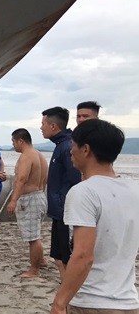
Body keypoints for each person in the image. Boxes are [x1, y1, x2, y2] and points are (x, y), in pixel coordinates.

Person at [51, 119, 139, 314]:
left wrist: (59, 303)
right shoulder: (134, 189)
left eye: (73, 145)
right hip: (129, 301)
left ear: (86, 149)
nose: (70, 151)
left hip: (93, 302)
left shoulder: (83, 192)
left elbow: (83, 255)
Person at [41, 106, 81, 280]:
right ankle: (65, 287)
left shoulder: (67, 147)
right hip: (58, 211)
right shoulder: (60, 145)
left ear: (53, 126)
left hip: (66, 211)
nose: (41, 127)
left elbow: (75, 180)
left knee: (66, 255)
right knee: (58, 256)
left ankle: (70, 291)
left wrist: (64, 204)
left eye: (43, 123)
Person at [6, 128, 48, 278]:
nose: (13, 144)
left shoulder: (27, 156)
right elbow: (45, 180)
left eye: (13, 141)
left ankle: (34, 270)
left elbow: (22, 179)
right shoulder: (39, 155)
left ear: (20, 141)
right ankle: (41, 260)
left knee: (32, 237)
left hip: (31, 198)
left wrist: (13, 200)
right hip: (40, 196)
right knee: (35, 233)